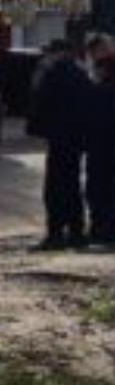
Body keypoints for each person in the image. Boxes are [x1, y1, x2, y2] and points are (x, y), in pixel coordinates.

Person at [29, 37, 91, 250]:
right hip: (75, 139)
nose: (46, 56)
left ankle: (55, 233)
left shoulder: (53, 74)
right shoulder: (81, 74)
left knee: (55, 187)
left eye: (50, 52)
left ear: (60, 53)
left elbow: (39, 102)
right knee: (72, 186)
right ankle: (76, 232)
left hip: (59, 138)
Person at [86, 35, 115, 245]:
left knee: (100, 187)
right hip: (102, 140)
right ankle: (102, 228)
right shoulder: (102, 72)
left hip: (104, 141)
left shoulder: (106, 72)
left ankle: (103, 229)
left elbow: (100, 107)